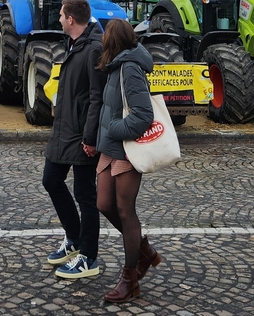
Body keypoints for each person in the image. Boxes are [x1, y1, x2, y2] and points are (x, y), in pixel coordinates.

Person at [95, 19, 159, 303]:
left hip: (126, 151)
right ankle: (144, 250)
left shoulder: (130, 68)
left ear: (112, 41)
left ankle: (130, 278)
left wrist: (114, 129)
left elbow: (143, 115)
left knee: (124, 210)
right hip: (111, 149)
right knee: (104, 203)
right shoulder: (116, 67)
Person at [42, 0, 105, 280]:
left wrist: (90, 138)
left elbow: (96, 98)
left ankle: (88, 257)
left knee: (85, 196)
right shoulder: (75, 44)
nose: (58, 19)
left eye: (61, 15)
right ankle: (74, 238)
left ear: (71, 20)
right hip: (64, 130)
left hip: (82, 135)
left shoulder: (93, 49)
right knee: (51, 180)